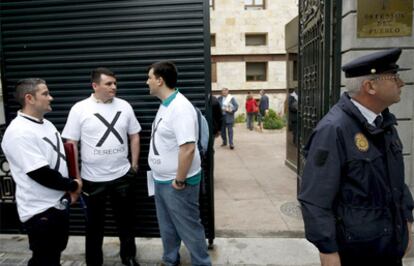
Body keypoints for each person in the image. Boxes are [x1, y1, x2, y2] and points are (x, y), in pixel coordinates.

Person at [298, 48, 414, 266]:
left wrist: (407, 221)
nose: (401, 83)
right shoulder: (334, 130)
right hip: (357, 251)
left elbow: (397, 181)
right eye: (394, 77)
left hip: (389, 245)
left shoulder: (385, 123)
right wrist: (328, 251)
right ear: (369, 86)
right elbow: (315, 197)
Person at [62, 67, 141, 266]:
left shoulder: (124, 106)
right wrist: (76, 178)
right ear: (95, 85)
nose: (114, 87)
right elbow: (71, 144)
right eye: (109, 84)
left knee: (126, 222)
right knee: (94, 226)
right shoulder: (79, 108)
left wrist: (134, 165)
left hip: (122, 176)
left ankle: (129, 257)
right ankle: (94, 262)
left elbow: (134, 135)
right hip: (92, 180)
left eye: (115, 83)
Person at [1, 78, 82, 266]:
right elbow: (40, 173)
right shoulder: (19, 132)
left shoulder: (46, 124)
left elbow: (60, 158)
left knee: (53, 254)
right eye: (45, 94)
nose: (51, 98)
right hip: (40, 211)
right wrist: (73, 185)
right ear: (29, 98)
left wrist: (70, 188)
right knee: (45, 259)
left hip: (57, 204)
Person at [146, 61, 212, 266]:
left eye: (149, 77)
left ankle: (202, 263)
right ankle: (170, 259)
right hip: (161, 180)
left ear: (159, 80)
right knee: (167, 226)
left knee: (189, 227)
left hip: (177, 183)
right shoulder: (166, 105)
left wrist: (179, 180)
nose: (146, 82)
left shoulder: (180, 107)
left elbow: (188, 148)